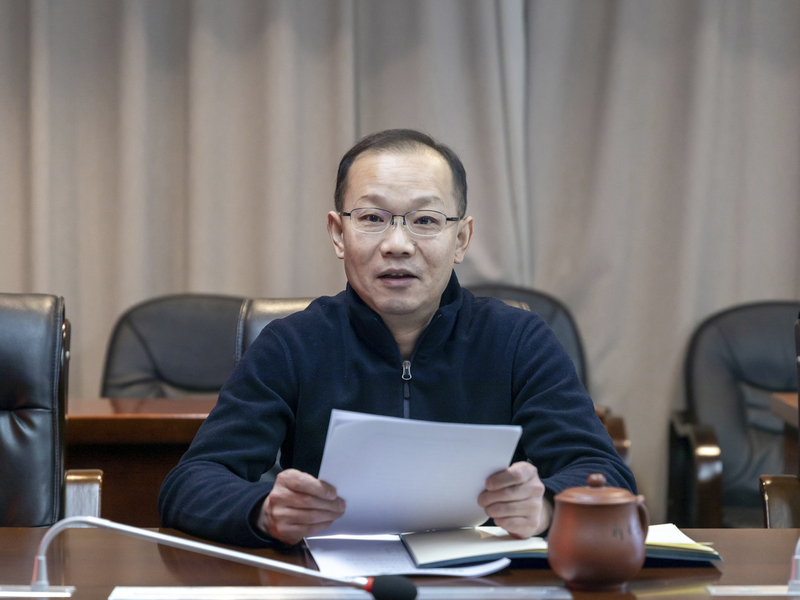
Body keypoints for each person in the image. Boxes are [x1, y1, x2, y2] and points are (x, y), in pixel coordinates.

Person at [158, 129, 636, 547]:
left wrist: (546, 506)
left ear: (461, 239)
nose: (398, 244)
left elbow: (605, 473)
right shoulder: (292, 345)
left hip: (482, 581)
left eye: (425, 220)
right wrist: (266, 511)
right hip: (333, 581)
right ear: (338, 233)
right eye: (372, 218)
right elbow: (190, 483)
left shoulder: (518, 341)